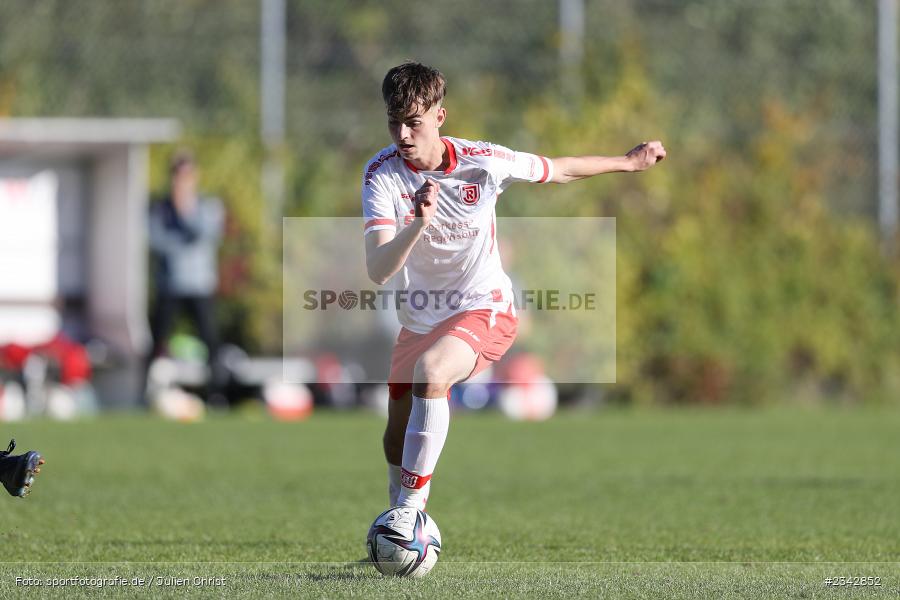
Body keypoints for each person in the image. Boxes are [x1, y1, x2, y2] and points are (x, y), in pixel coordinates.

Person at [362, 62, 666, 510]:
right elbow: (378, 270)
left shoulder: (483, 161)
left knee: (433, 374)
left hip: (484, 308)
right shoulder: (381, 175)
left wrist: (626, 163)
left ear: (439, 118)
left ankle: (409, 518)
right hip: (420, 316)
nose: (403, 135)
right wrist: (419, 224)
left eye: (414, 123)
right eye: (394, 122)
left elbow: (557, 169)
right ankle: (394, 522)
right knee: (395, 436)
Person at [147, 151, 226, 405]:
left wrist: (185, 210)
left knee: (210, 340)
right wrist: (183, 240)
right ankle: (147, 393)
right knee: (157, 340)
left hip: (200, 285)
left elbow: (205, 234)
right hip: (170, 284)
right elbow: (157, 241)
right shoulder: (160, 208)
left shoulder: (207, 205)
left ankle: (216, 394)